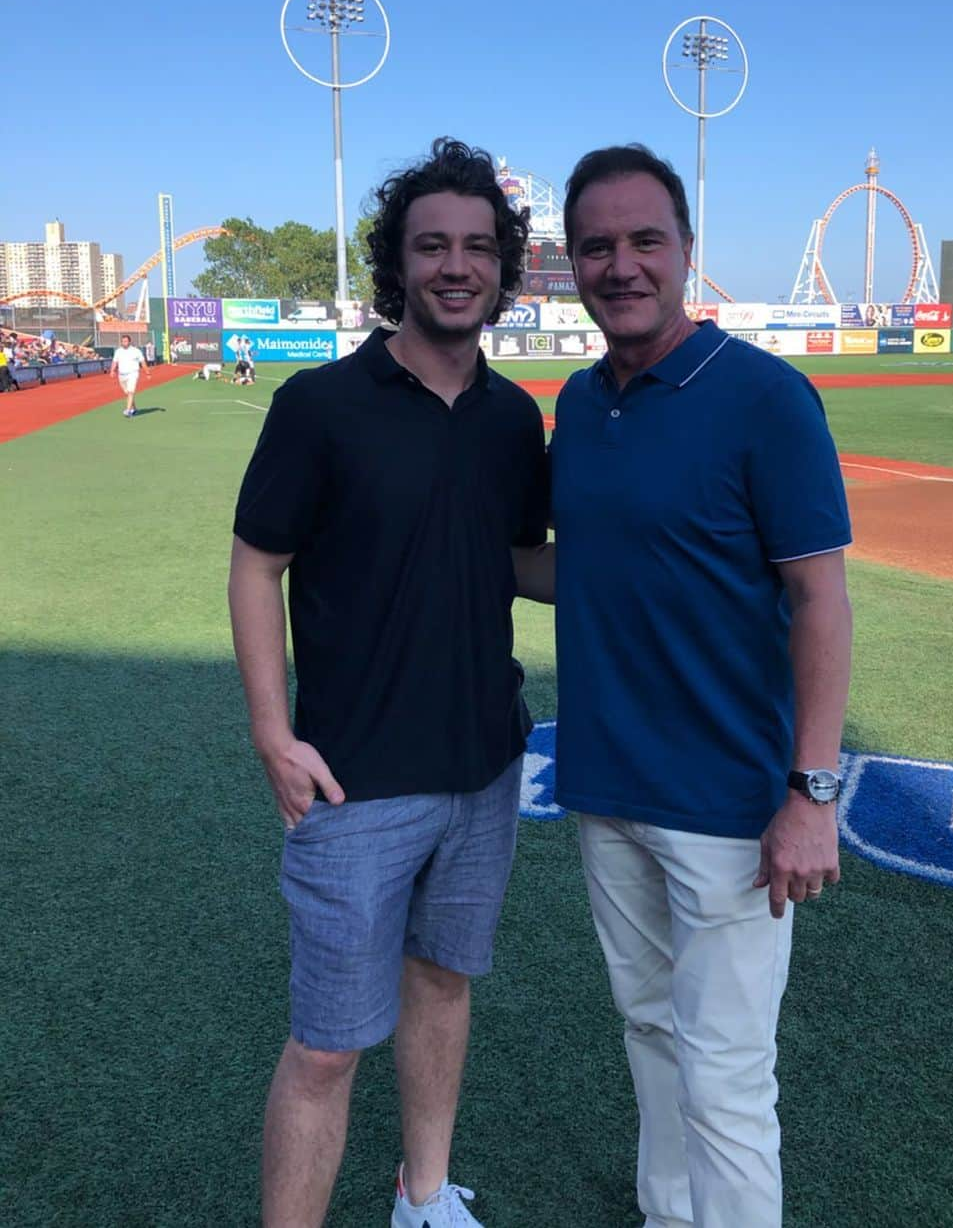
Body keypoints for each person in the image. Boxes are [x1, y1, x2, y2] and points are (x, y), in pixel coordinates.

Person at [228, 138, 549, 1228]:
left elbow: (515, 557)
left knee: (444, 985)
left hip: (485, 766)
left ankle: (423, 1194)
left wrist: (671, 550)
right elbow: (256, 560)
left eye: (476, 247)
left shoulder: (514, 419)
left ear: (503, 267)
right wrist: (272, 731)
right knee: (325, 1047)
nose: (455, 266)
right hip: (353, 780)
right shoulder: (321, 405)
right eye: (432, 247)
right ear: (398, 264)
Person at [548, 145, 853, 1228]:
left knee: (725, 1076)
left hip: (730, 806)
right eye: (597, 245)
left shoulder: (766, 396)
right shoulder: (579, 405)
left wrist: (812, 796)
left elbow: (820, 599)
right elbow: (576, 561)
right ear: (570, 262)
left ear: (686, 254)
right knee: (648, 1034)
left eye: (644, 241)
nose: (621, 265)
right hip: (605, 786)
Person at [110, 334, 148, 417]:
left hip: (133, 373)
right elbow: (115, 362)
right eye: (123, 341)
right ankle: (134, 408)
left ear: (129, 342)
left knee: (131, 391)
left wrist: (147, 372)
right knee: (127, 393)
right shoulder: (118, 351)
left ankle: (128, 410)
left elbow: (142, 362)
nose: (124, 343)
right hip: (122, 375)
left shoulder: (136, 351)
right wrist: (112, 370)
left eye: (126, 341)